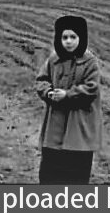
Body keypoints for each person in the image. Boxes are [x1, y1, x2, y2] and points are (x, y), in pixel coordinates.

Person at [34, 14, 101, 183]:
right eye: (64, 37)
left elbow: (91, 88)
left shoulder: (89, 62)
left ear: (81, 38)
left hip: (78, 130)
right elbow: (42, 80)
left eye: (73, 37)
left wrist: (68, 95)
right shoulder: (53, 59)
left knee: (75, 176)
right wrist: (48, 93)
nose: (69, 41)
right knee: (49, 174)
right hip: (54, 130)